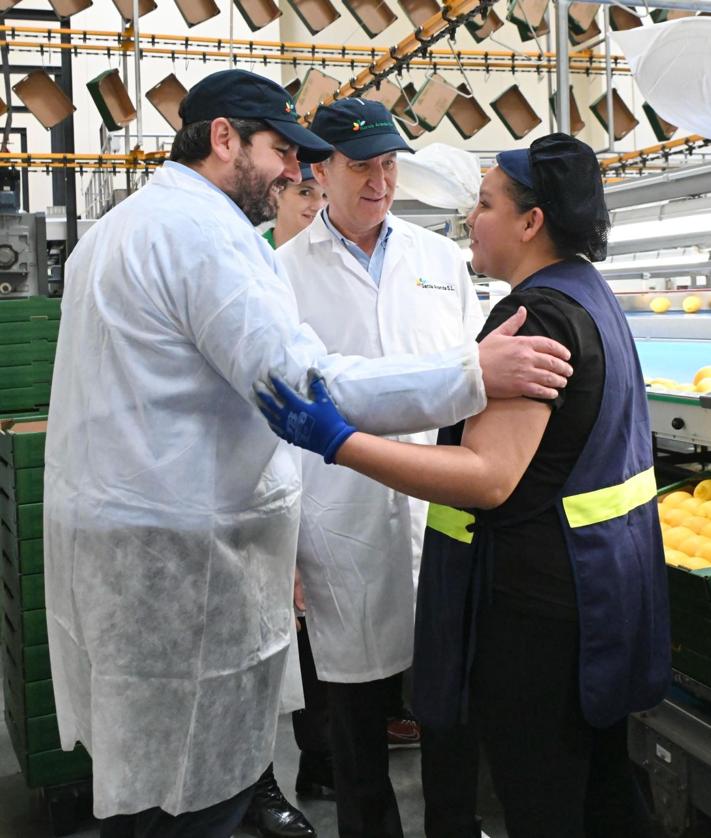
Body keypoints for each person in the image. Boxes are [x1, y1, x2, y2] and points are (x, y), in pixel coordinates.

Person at [42, 67, 573, 838]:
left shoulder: (124, 227)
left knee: (156, 787)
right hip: (183, 561)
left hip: (138, 551)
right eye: (280, 152)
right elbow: (302, 384)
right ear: (223, 139)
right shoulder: (205, 236)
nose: (295, 172)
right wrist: (470, 373)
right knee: (193, 791)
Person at [256, 133, 671, 838]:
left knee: (543, 797)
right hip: (594, 591)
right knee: (599, 789)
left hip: (537, 613)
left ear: (530, 222)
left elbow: (487, 476)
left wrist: (338, 440)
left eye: (483, 204)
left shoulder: (537, 317)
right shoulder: (589, 294)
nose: (467, 219)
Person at [277, 97, 485, 838]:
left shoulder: (438, 261)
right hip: (337, 522)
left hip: (440, 513)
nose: (379, 182)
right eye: (361, 166)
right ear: (318, 171)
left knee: (448, 720)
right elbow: (272, 423)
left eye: (390, 164)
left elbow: (471, 388)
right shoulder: (280, 275)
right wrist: (288, 550)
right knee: (356, 732)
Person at [241, 162, 329, 838]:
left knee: (303, 638)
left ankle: (317, 759)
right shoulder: (254, 267)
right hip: (260, 484)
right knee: (266, 648)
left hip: (323, 474)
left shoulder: (321, 268)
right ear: (276, 196)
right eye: (304, 192)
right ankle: (259, 780)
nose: (315, 205)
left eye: (320, 194)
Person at [263, 163, 328, 249]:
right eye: (305, 193)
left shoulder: (337, 257)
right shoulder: (252, 254)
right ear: (276, 194)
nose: (319, 206)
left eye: (325, 195)